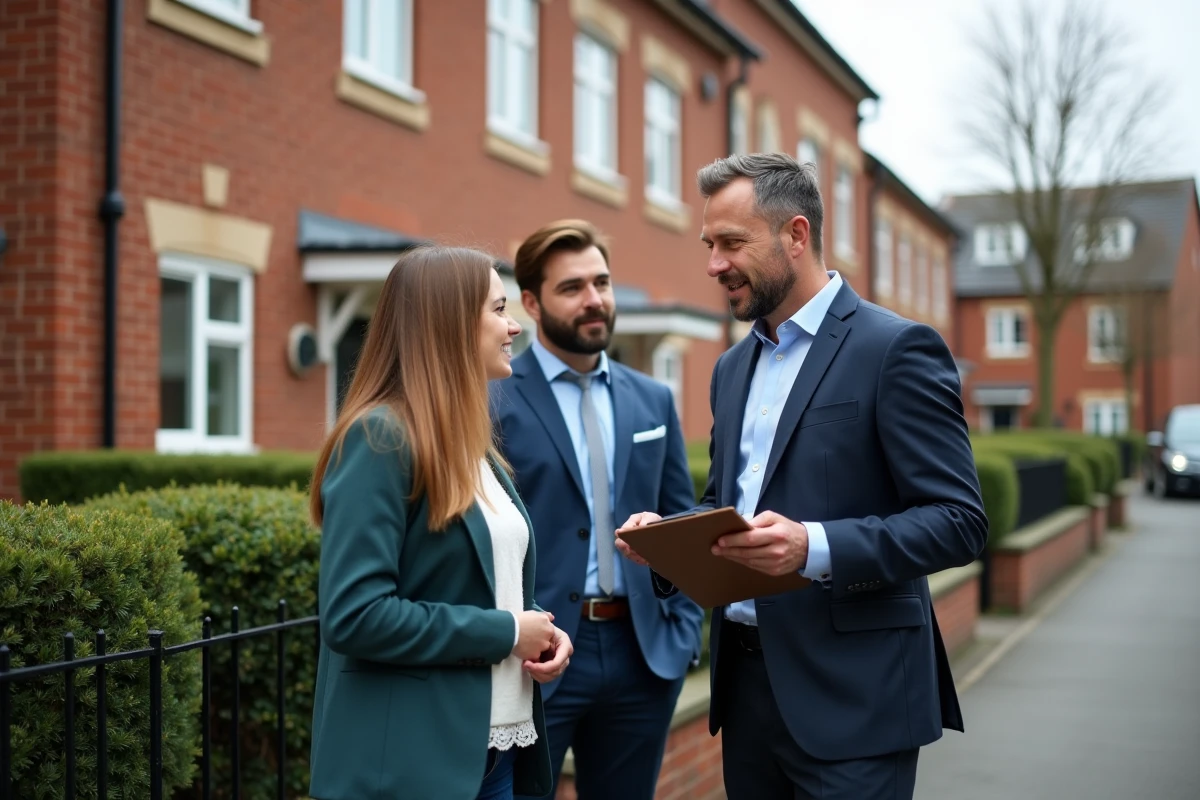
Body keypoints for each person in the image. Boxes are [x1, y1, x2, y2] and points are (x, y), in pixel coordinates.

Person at [617, 153, 988, 800]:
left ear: (796, 235)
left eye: (732, 243)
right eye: (709, 244)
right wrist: (670, 541)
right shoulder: (731, 370)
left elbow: (958, 523)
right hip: (748, 699)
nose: (713, 264)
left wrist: (813, 548)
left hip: (856, 704)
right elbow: (727, 507)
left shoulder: (895, 349)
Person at [307, 245, 572, 800]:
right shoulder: (379, 438)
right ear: (449, 322)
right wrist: (506, 633)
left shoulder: (477, 450)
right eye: (499, 309)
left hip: (497, 757)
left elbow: (480, 584)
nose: (514, 326)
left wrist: (539, 638)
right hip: (415, 767)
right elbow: (355, 616)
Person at [489, 220, 704, 800]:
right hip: (539, 656)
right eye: (572, 288)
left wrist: (682, 631)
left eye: (602, 282)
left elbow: (679, 520)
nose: (594, 301)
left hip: (643, 656)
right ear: (531, 303)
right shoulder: (493, 398)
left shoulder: (653, 398)